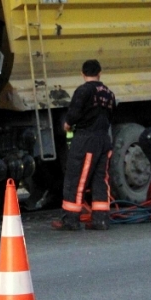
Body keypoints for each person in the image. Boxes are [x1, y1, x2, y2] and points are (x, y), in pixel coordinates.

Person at [52, 59, 116, 231]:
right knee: (100, 179)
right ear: (99, 73)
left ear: (82, 73)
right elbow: (111, 115)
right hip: (104, 139)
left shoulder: (83, 91)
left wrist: (67, 124)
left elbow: (73, 114)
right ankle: (101, 220)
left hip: (86, 140)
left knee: (76, 180)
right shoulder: (109, 93)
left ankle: (70, 220)